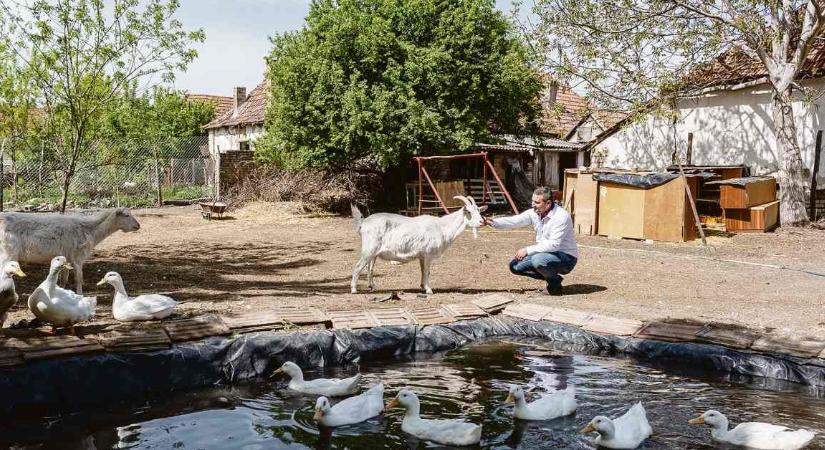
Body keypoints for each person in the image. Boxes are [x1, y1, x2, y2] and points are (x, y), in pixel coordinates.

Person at [482, 187, 578, 295]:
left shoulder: (561, 217)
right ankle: (553, 278)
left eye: (537, 202)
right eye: (532, 201)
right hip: (545, 253)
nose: (532, 204)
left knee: (538, 260)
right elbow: (515, 221)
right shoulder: (535, 212)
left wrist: (527, 250)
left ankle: (554, 285)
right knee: (515, 266)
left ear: (548, 203)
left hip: (566, 258)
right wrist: (492, 222)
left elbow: (553, 245)